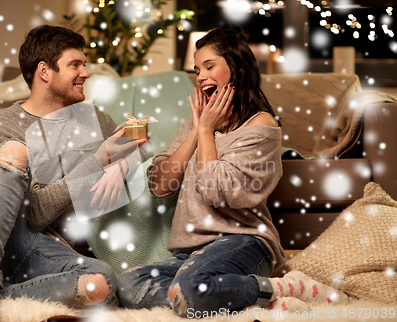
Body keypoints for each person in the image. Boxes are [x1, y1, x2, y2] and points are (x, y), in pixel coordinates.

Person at [0, 25, 147, 322]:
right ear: (44, 71)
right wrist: (99, 160)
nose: (85, 73)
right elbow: (34, 214)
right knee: (13, 151)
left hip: (45, 250)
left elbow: (140, 151)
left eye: (84, 64)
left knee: (101, 284)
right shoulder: (5, 126)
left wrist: (120, 164)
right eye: (75, 65)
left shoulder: (94, 118)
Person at [116, 25, 348, 316]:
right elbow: (160, 186)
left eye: (209, 66)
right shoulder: (196, 124)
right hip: (191, 252)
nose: (200, 76)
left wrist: (206, 132)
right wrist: (198, 129)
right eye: (197, 69)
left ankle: (281, 289)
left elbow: (216, 192)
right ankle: (229, 294)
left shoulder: (261, 127)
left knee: (190, 288)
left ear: (236, 68)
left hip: (243, 242)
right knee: (128, 284)